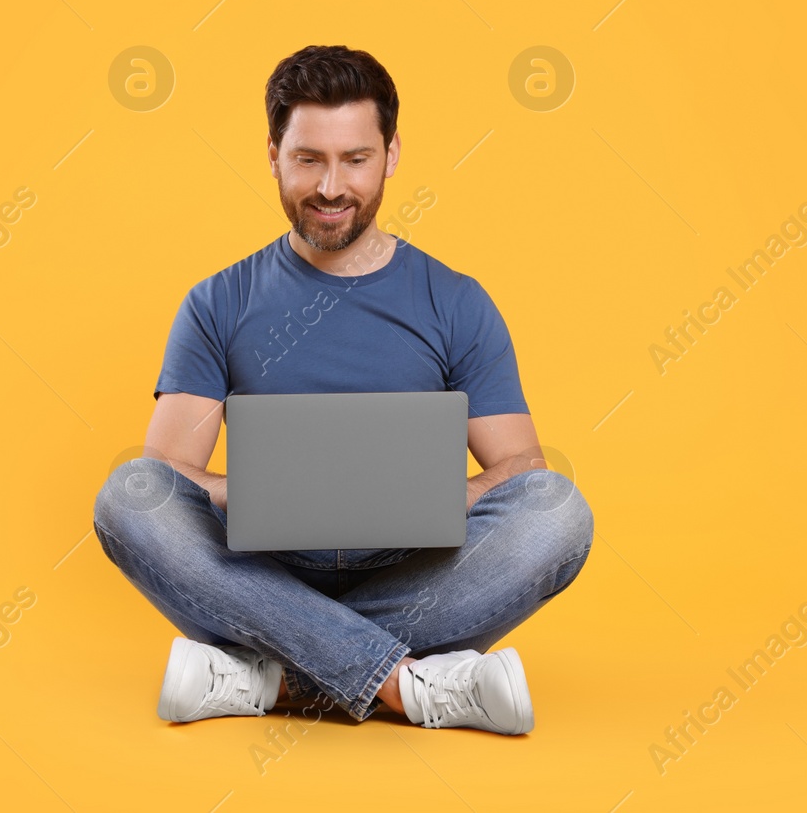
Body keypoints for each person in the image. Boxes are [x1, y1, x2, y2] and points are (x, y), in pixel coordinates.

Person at [92, 44, 594, 734]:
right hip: (263, 562)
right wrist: (261, 492)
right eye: (309, 159)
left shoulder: (455, 301)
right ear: (273, 153)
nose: (332, 187)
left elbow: (523, 469)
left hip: (414, 567)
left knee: (558, 511)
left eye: (355, 159)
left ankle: (266, 676)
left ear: (390, 155)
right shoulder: (218, 302)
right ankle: (406, 683)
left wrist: (441, 498)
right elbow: (163, 475)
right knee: (128, 496)